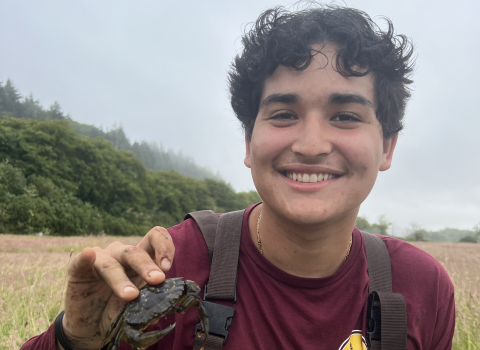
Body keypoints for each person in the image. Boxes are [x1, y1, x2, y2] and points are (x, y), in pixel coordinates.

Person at [22, 4, 455, 350]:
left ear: (387, 147)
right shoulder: (175, 263)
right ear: (248, 143)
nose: (310, 143)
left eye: (345, 116)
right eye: (284, 114)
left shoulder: (420, 288)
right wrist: (72, 340)